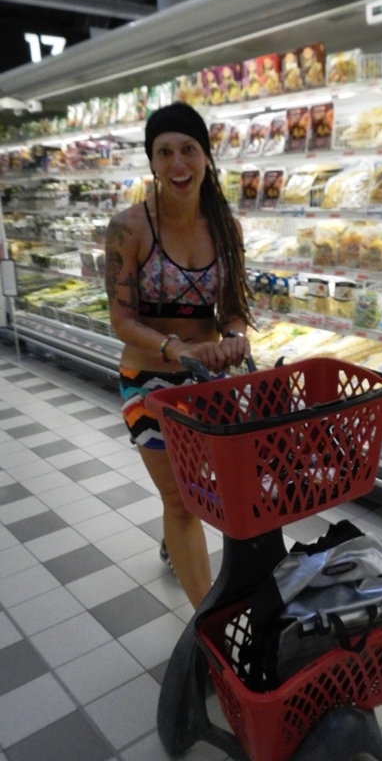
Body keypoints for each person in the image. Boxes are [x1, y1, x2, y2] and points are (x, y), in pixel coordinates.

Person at [105, 102, 254, 609]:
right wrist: (176, 347)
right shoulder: (128, 228)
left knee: (210, 490)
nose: (177, 164)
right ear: (151, 161)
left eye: (188, 149)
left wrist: (233, 335)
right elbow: (122, 319)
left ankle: (175, 541)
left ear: (206, 157)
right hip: (148, 381)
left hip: (207, 383)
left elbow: (233, 309)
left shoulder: (225, 227)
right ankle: (208, 626)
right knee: (182, 501)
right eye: (164, 152)